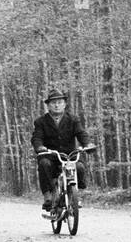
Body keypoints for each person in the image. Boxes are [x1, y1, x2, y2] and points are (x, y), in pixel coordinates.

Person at [32, 86, 92, 216]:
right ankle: (48, 195)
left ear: (64, 104)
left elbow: (81, 133)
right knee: (44, 165)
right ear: (48, 105)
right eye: (53, 103)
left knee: (80, 167)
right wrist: (40, 147)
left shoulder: (73, 119)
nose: (57, 105)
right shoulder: (41, 122)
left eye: (59, 102)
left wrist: (87, 144)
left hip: (70, 155)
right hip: (50, 155)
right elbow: (37, 137)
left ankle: (76, 194)